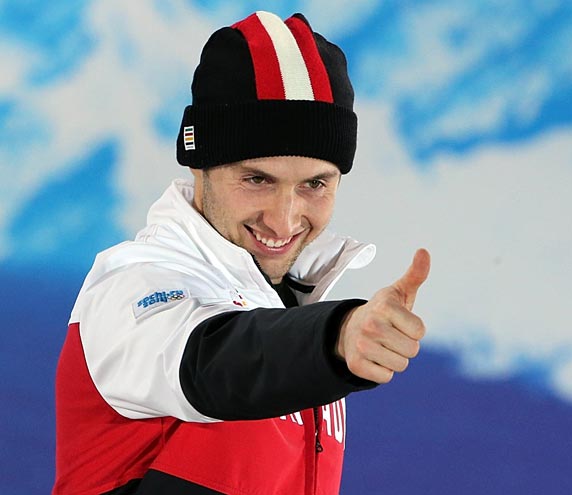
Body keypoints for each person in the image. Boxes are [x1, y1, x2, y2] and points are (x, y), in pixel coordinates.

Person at [53, 10, 430, 495]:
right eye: (257, 180)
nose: (284, 219)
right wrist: (335, 335)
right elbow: (211, 360)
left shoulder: (289, 305)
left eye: (315, 184)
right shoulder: (133, 285)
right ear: (200, 165)